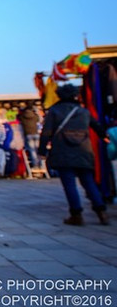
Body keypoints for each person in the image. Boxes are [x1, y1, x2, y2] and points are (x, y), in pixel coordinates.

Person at [38, 84, 109, 226]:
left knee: (69, 184)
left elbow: (46, 132)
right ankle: (101, 212)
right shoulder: (83, 111)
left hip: (63, 151)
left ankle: (76, 214)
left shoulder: (55, 111)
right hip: (83, 150)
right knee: (88, 181)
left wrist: (42, 150)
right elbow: (97, 126)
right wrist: (104, 136)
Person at [18, 102, 41, 167]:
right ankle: (40, 164)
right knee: (37, 150)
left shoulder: (23, 117)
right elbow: (38, 119)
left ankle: (35, 165)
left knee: (32, 150)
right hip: (36, 133)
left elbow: (19, 119)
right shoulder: (34, 116)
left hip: (28, 134)